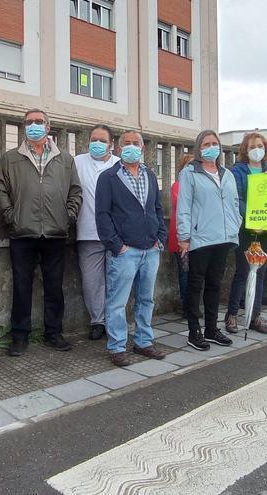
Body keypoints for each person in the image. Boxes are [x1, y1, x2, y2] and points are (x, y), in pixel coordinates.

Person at [0, 109, 82, 356]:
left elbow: (75, 192)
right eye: (29, 122)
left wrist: (68, 216)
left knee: (54, 286)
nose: (33, 125)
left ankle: (54, 332)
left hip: (55, 233)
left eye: (38, 122)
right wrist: (11, 216)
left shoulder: (65, 159)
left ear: (48, 127)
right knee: (21, 287)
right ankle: (19, 336)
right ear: (23, 127)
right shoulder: (10, 158)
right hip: (22, 233)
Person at [95, 130, 167, 366]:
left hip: (150, 249)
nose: (131, 147)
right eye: (127, 143)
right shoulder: (109, 177)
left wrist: (160, 237)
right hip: (125, 252)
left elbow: (157, 208)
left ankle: (144, 342)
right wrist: (117, 246)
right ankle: (117, 347)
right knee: (117, 302)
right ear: (117, 148)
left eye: (136, 143)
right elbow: (103, 215)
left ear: (143, 148)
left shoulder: (150, 175)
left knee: (146, 299)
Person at [176, 130, 242, 350]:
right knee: (196, 285)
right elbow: (184, 207)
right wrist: (184, 236)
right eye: (206, 144)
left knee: (214, 285)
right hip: (200, 238)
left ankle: (211, 329)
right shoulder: (190, 173)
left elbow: (234, 203)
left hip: (223, 237)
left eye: (215, 143)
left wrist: (236, 224)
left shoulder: (227, 174)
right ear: (198, 147)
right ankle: (194, 331)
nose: (211, 147)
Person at [225, 132, 267, 335]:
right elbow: (236, 199)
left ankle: (255, 315)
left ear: (265, 148)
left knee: (262, 272)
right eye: (251, 146)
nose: (256, 149)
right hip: (246, 229)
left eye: (260, 145)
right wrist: (252, 219)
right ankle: (231, 315)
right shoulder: (237, 172)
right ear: (245, 151)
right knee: (243, 271)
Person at [75, 125, 120, 341]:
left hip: (115, 234)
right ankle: (98, 321)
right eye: (94, 139)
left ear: (111, 143)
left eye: (102, 140)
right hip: (87, 232)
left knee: (115, 280)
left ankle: (114, 320)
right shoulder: (77, 162)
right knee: (92, 281)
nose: (97, 143)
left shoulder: (119, 165)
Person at [167, 154, 194, 320]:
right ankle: (186, 307)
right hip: (180, 236)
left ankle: (194, 305)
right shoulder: (177, 185)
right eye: (188, 165)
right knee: (184, 273)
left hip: (198, 236)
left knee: (195, 274)